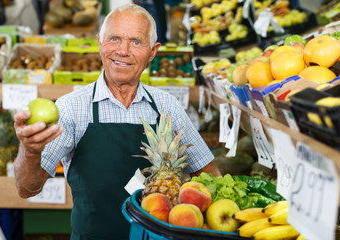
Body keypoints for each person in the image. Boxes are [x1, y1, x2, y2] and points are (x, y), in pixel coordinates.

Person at [13, 4, 219, 240]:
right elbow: (27, 188)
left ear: (153, 52)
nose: (123, 51)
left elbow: (208, 173)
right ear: (100, 42)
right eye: (114, 39)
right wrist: (30, 152)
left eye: (136, 42)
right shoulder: (71, 108)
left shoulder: (166, 106)